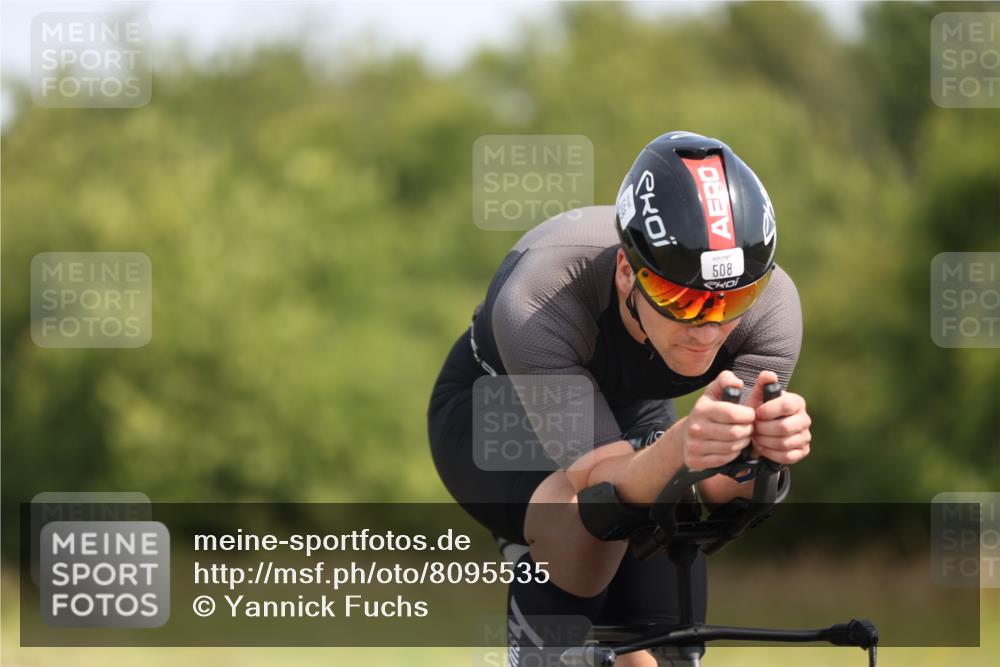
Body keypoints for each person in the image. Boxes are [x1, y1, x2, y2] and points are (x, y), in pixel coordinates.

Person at [427, 131, 811, 666]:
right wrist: (680, 449)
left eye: (734, 299)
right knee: (586, 516)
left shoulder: (773, 311)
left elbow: (722, 500)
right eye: (682, 299)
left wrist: (763, 457)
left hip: (631, 413)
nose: (708, 328)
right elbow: (602, 481)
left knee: (662, 626)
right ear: (627, 271)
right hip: (495, 418)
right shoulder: (539, 296)